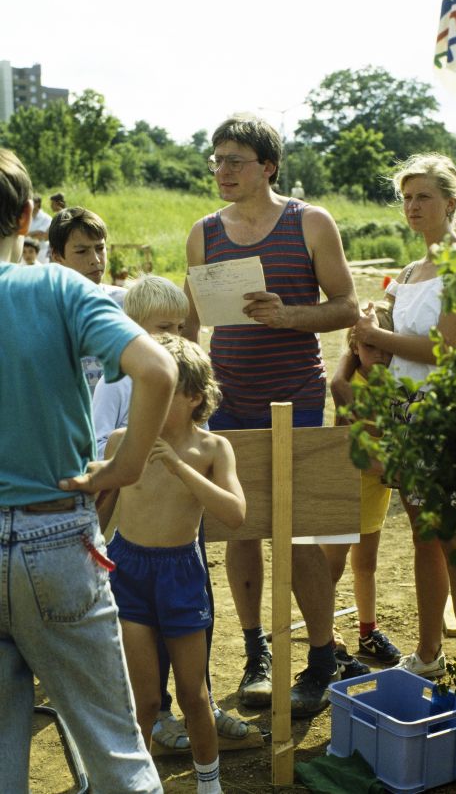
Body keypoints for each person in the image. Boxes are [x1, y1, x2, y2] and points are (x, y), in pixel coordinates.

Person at [0, 147, 179, 793]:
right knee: (116, 755)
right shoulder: (59, 286)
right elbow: (158, 368)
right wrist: (124, 466)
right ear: (28, 217)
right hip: (56, 535)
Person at [184, 114, 359, 717]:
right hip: (227, 399)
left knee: (301, 530)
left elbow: (346, 307)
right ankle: (257, 653)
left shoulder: (309, 222)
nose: (222, 171)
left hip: (297, 397)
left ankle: (319, 657)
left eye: (235, 160)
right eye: (217, 159)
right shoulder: (203, 233)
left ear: (267, 166)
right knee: (241, 530)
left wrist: (289, 316)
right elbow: (189, 326)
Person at [92, 274, 249, 750]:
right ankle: (138, 771)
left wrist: (181, 469)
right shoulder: (123, 410)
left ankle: (207, 774)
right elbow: (103, 489)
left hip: (181, 563)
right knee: (142, 698)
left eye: (181, 327)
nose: (150, 397)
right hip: (129, 557)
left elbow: (233, 510)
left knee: (194, 691)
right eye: (166, 328)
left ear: (194, 395)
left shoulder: (208, 440)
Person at [353, 152, 456, 677]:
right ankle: (429, 655)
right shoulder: (408, 271)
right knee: (422, 538)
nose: (412, 206)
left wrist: (375, 334)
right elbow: (384, 343)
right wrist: (369, 328)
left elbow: (447, 348)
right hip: (406, 419)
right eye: (406, 197)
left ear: (450, 203)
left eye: (423, 196)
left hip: (451, 420)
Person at [326, 301, 401, 666]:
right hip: (345, 484)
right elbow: (348, 443)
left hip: (376, 488)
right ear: (355, 346)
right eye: (371, 347)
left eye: (387, 346)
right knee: (331, 565)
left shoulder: (397, 381)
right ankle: (326, 634)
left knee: (366, 564)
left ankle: (367, 631)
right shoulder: (349, 384)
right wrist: (387, 465)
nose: (381, 356)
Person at [49, 206, 127, 395]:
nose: (95, 260)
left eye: (100, 248)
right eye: (82, 251)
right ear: (58, 256)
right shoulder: (45, 310)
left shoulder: (127, 303)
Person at [28, 195, 52, 263]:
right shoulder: (26, 217)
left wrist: (27, 234)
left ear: (37, 203)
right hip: (26, 252)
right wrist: (34, 234)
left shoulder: (46, 218)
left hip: (41, 251)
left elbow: (43, 235)